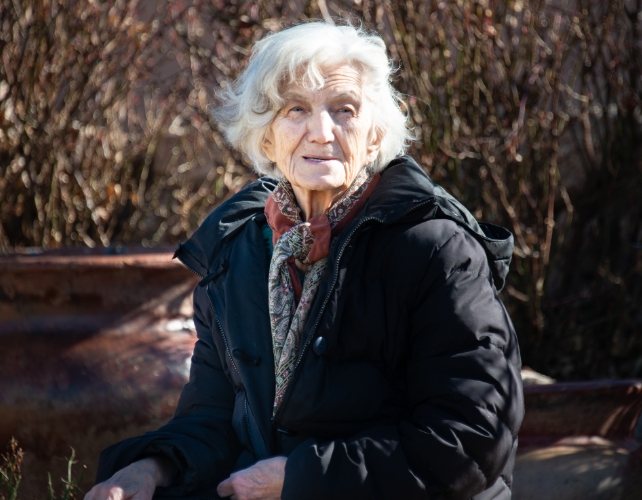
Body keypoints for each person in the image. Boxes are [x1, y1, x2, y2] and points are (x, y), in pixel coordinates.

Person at [85, 21, 524, 500]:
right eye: (297, 109)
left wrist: (304, 477)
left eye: (344, 110)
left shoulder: (434, 249)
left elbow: (472, 440)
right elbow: (212, 418)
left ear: (375, 137)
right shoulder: (239, 254)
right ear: (267, 140)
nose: (321, 132)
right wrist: (151, 468)